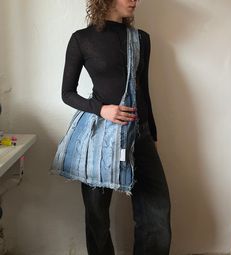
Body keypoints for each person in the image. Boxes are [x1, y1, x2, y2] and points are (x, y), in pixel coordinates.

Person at [60, 0, 172, 254]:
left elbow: (142, 89)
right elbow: (67, 93)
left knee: (156, 210)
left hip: (139, 135)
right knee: (97, 215)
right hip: (100, 136)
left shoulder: (141, 39)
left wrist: (151, 133)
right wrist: (101, 109)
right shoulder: (82, 39)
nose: (135, 1)